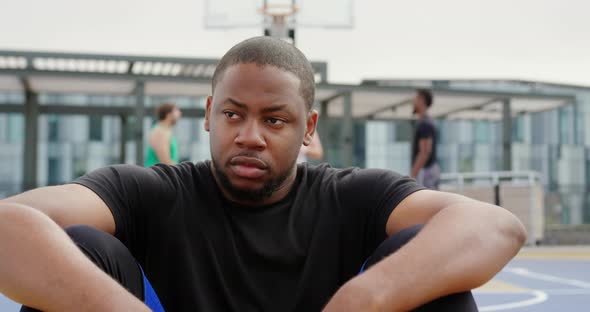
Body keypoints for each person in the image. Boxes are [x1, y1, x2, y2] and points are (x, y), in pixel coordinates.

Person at [0, 37, 526, 312]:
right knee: (84, 246)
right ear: (209, 114)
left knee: (431, 274)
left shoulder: (354, 196)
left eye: (274, 119)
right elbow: (10, 223)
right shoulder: (151, 192)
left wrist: (365, 299)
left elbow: (495, 226)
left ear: (307, 127)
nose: (250, 134)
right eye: (233, 114)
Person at [411, 89, 440, 190]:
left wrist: (413, 175)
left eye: (415, 98)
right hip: (427, 171)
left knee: (427, 204)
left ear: (421, 100)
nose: (413, 101)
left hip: (425, 172)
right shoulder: (426, 122)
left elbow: (425, 151)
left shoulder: (425, 124)